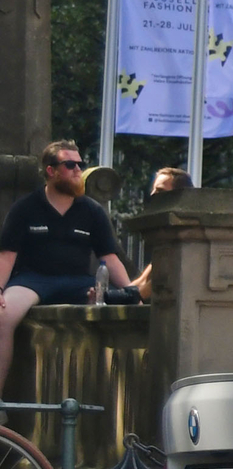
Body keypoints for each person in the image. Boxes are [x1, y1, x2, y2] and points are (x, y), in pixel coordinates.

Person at [0, 142, 135, 382]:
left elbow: (109, 257)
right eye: (70, 165)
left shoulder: (92, 211)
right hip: (32, 280)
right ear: (51, 171)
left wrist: (130, 292)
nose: (77, 170)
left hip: (78, 282)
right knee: (2, 316)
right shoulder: (25, 208)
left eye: (80, 165)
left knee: (111, 308)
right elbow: (6, 256)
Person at [129, 167, 192, 303]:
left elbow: (156, 283)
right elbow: (142, 281)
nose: (152, 195)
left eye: (160, 191)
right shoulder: (165, 235)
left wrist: (129, 297)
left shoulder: (186, 235)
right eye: (153, 189)